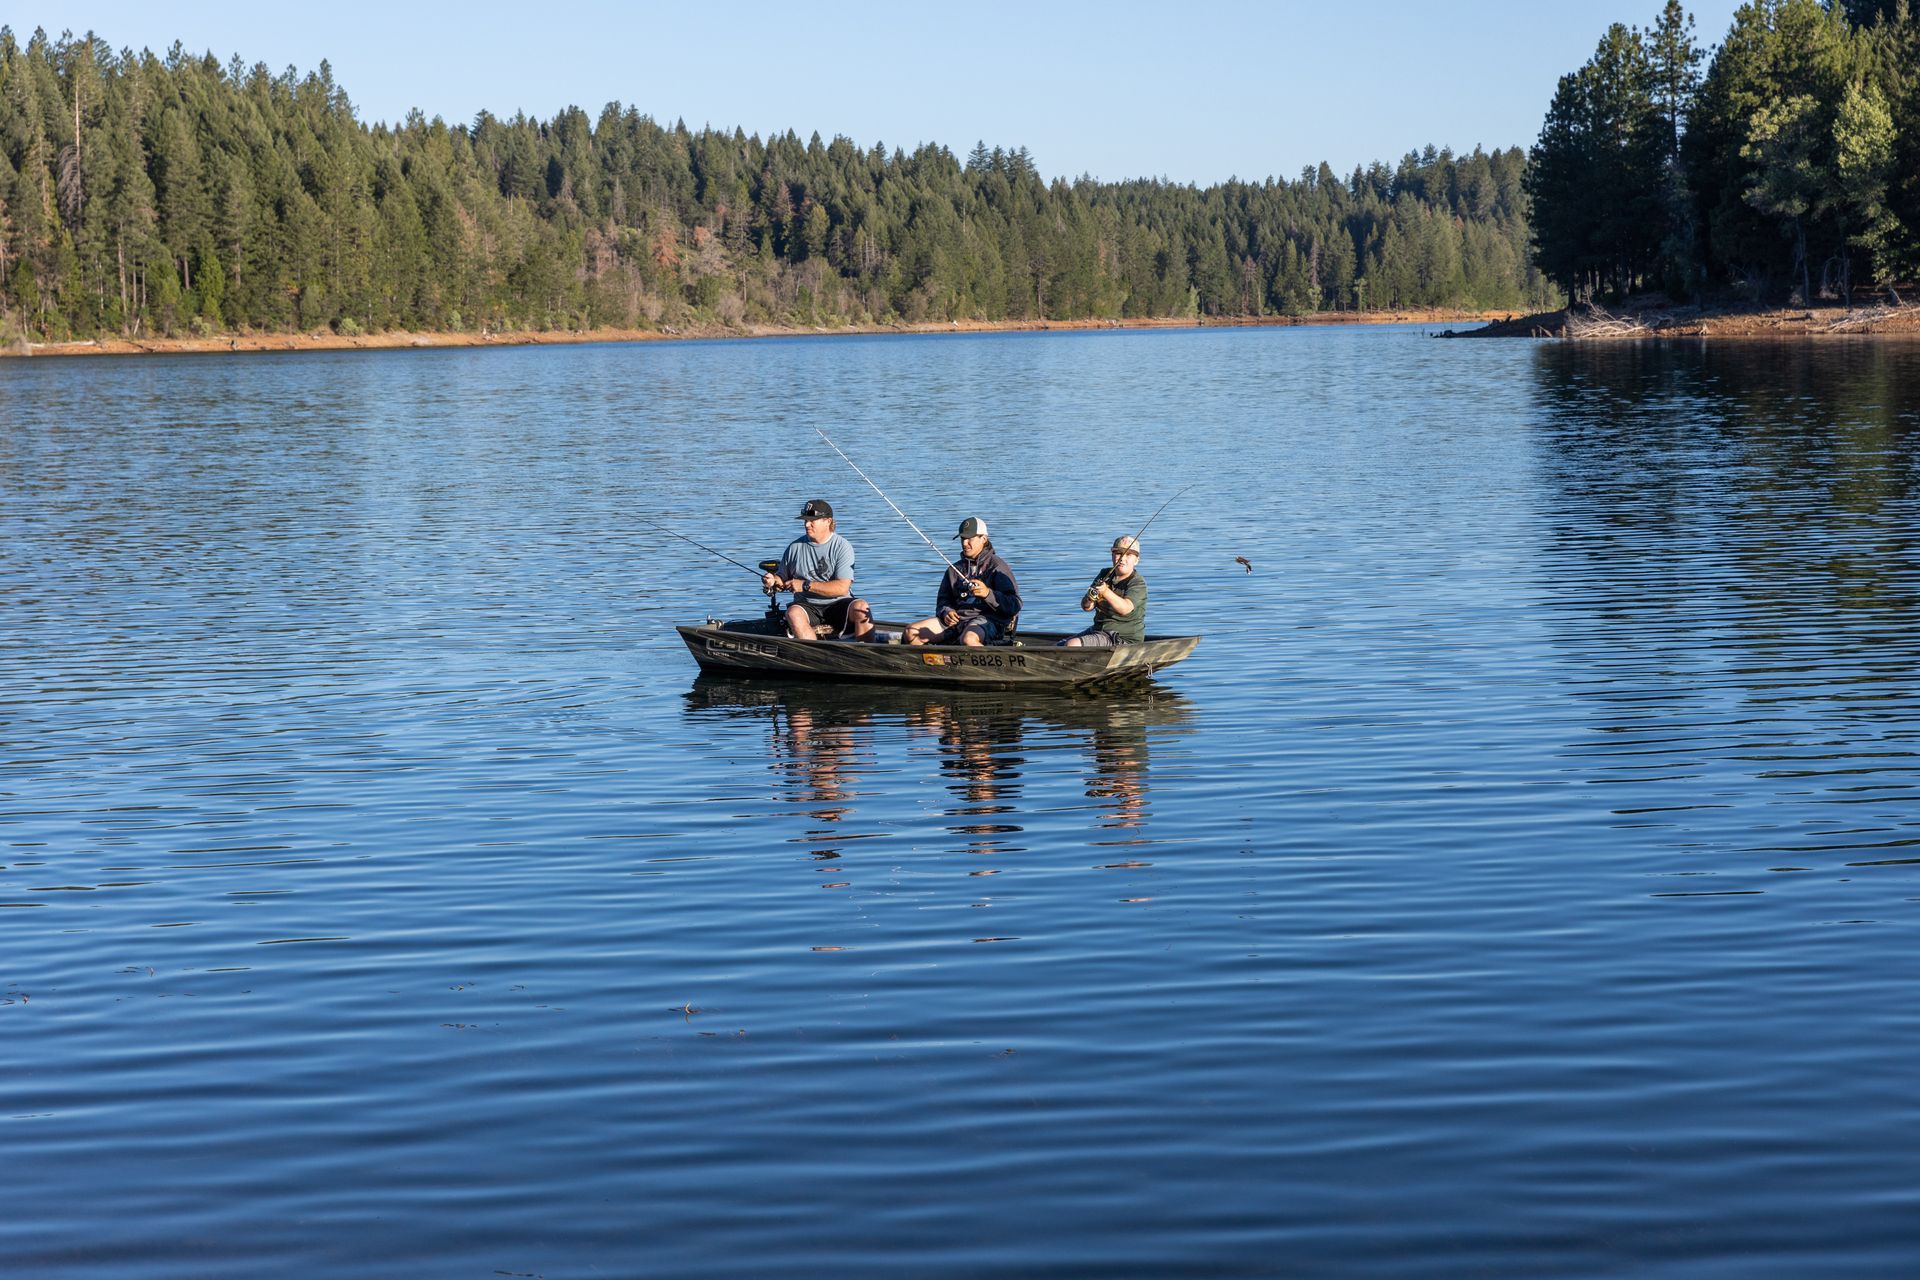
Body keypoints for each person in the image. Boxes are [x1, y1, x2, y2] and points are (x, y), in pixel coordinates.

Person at [905, 517, 1022, 646]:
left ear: (983, 539)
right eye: (962, 539)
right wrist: (946, 612)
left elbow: (1015, 605)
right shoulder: (954, 570)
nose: (965, 543)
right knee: (911, 632)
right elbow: (943, 601)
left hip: (988, 622)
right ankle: (930, 664)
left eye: (970, 538)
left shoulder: (997, 567)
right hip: (957, 622)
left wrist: (988, 594)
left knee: (969, 640)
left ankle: (987, 664)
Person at [763, 499, 856, 640]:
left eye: (812, 520)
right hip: (806, 605)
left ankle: (871, 655)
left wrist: (805, 585)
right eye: (805, 520)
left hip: (838, 603)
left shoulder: (842, 547)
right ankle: (813, 655)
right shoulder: (794, 547)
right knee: (793, 613)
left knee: (861, 607)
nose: (807, 524)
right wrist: (773, 580)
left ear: (828, 521)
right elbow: (782, 579)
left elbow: (842, 588)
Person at [1059, 534, 1146, 646]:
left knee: (1073, 645)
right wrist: (1090, 598)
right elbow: (1087, 607)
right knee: (1059, 646)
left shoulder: (1137, 582)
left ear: (1136, 560)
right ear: (1112, 555)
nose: (1122, 558)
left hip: (1122, 637)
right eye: (1118, 553)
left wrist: (1105, 591)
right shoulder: (1104, 574)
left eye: (1128, 555)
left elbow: (1125, 608)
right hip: (1098, 630)